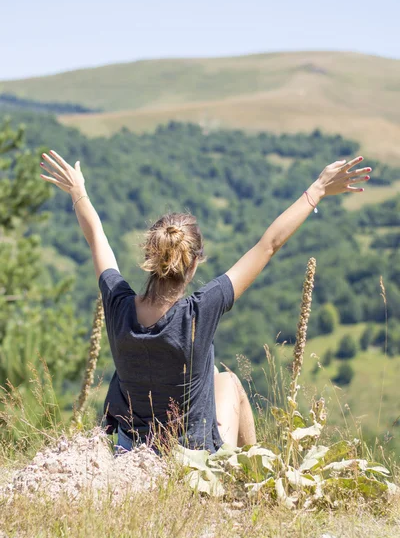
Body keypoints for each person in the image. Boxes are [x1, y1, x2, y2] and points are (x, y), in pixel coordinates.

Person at [40, 151, 371, 453]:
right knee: (227, 382)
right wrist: (318, 189)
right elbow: (267, 245)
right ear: (195, 262)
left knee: (210, 373)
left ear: (149, 257)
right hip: (191, 460)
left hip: (131, 453)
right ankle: (248, 479)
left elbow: (97, 237)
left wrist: (77, 190)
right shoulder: (199, 311)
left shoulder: (117, 304)